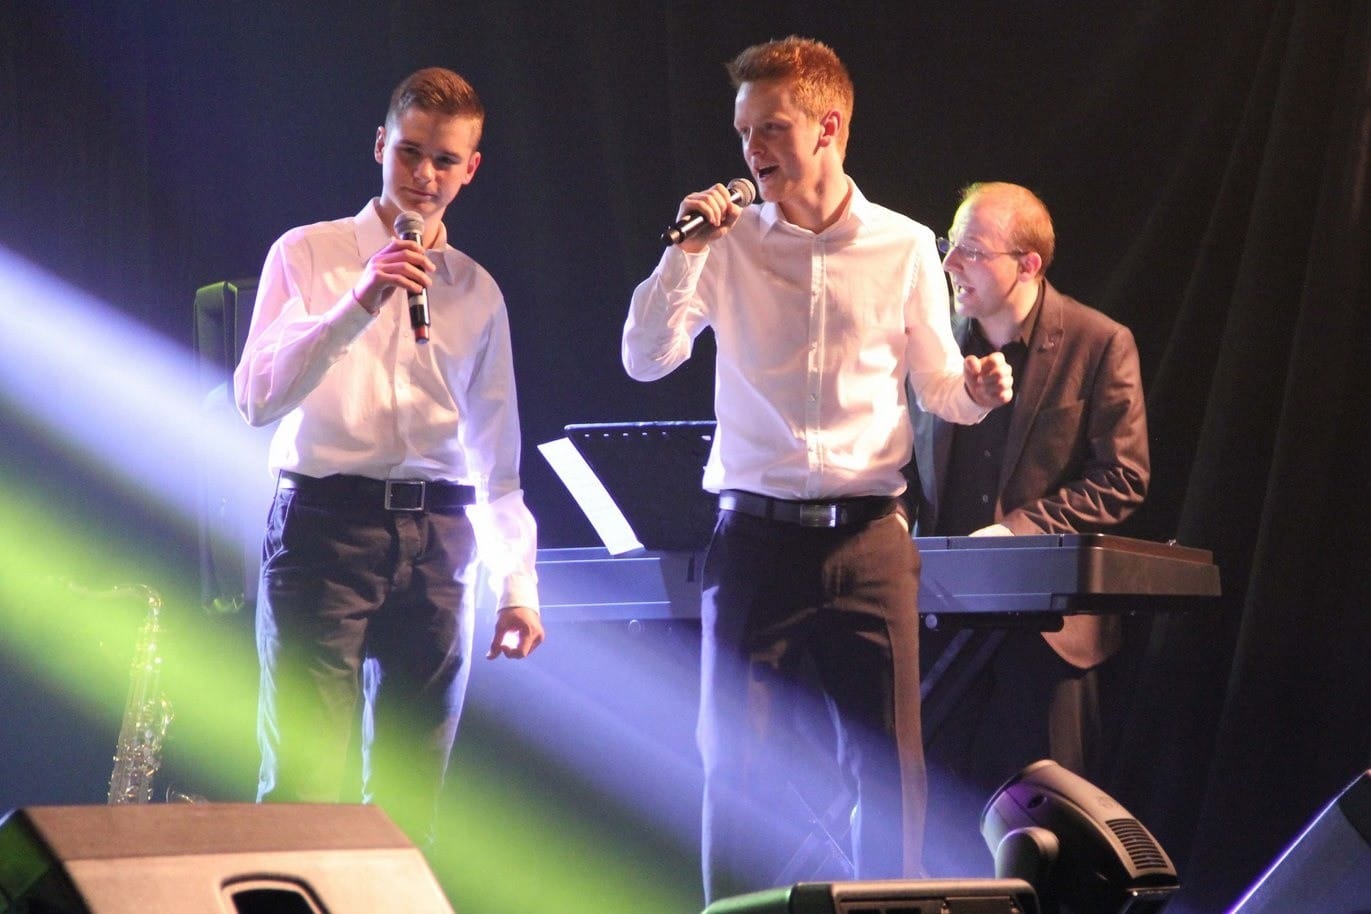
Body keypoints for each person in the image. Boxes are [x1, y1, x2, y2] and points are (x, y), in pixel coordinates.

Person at [623, 37, 1012, 903]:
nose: (751, 149)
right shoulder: (726, 244)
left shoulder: (902, 246)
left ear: (828, 128)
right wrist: (685, 252)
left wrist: (977, 391)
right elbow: (644, 359)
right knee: (732, 764)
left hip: (869, 540)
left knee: (890, 770)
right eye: (742, 132)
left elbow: (938, 387)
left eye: (770, 128)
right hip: (754, 540)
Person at [233, 67, 544, 844]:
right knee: (303, 789)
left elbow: (496, 460)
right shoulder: (309, 253)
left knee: (410, 805)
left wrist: (518, 585)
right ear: (380, 145)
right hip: (325, 528)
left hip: (441, 541)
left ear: (470, 168)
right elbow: (257, 399)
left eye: (445, 160)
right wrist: (359, 301)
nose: (424, 175)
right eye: (410, 152)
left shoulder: (475, 290)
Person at [907, 181, 1150, 875]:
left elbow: (1123, 476)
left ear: (1028, 265)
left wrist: (1017, 532)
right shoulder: (930, 349)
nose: (950, 264)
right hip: (943, 626)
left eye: (971, 251)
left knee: (1045, 844)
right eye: (949, 245)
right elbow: (899, 470)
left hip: (1047, 640)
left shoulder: (1099, 343)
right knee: (938, 827)